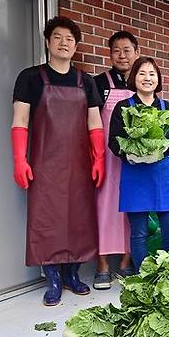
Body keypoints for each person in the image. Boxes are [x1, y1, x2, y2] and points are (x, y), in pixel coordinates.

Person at [11, 16, 105, 306]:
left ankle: (72, 274)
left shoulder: (86, 81)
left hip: (79, 163)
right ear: (48, 42)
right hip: (44, 163)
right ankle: (51, 277)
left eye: (70, 39)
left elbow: (95, 123)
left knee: (79, 217)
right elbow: (20, 120)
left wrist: (99, 158)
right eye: (58, 37)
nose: (64, 43)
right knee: (46, 219)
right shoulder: (30, 77)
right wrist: (19, 159)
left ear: (76, 45)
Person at [108, 57, 169, 270]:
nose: (147, 78)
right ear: (134, 78)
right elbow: (114, 141)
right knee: (138, 232)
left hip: (163, 172)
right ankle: (143, 276)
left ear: (158, 79)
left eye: (152, 74)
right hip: (135, 173)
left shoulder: (168, 108)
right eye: (142, 73)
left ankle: (168, 274)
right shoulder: (123, 107)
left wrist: (162, 148)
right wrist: (131, 153)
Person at [92, 30, 139, 289]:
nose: (122, 55)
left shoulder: (142, 82)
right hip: (107, 158)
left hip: (135, 160)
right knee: (104, 209)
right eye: (116, 51)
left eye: (127, 50)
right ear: (110, 54)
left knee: (131, 209)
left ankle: (125, 263)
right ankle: (102, 265)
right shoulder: (100, 83)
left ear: (136, 52)